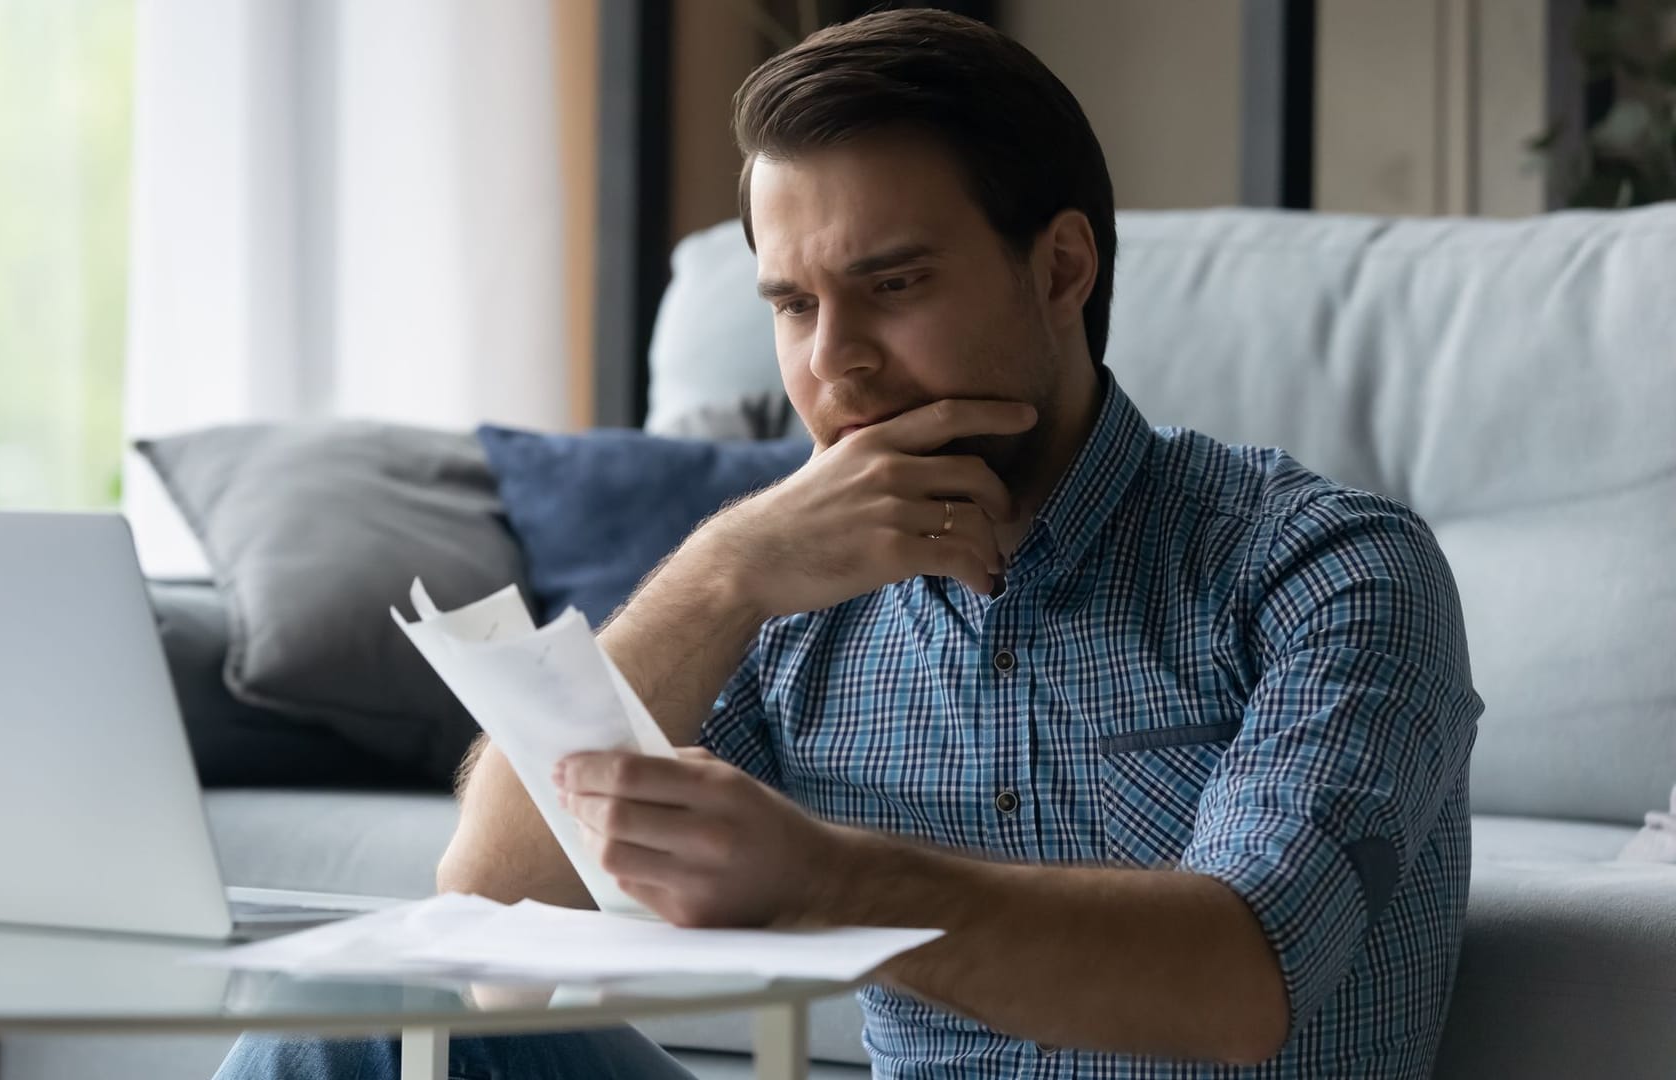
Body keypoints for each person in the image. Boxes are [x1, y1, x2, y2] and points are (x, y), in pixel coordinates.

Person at [218, 8, 1481, 1078]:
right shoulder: (801, 589)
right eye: (792, 305)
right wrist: (729, 574)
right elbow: (493, 897)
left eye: (893, 286)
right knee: (349, 1019)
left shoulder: (1327, 570)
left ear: (1061, 268)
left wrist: (827, 879)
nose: (836, 365)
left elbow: (1244, 979)